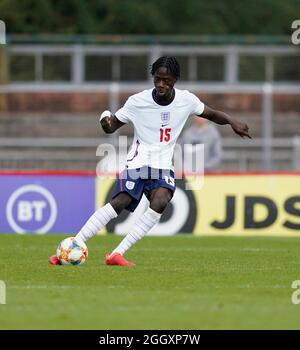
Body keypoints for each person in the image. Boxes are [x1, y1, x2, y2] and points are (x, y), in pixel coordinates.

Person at [49, 56, 251, 267]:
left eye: (167, 80)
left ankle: (117, 254)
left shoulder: (186, 100)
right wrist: (104, 120)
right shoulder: (138, 101)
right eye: (157, 79)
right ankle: (72, 245)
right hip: (138, 163)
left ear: (176, 79)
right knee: (120, 203)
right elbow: (112, 126)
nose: (161, 84)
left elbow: (211, 114)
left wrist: (231, 121)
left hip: (163, 165)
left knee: (161, 201)